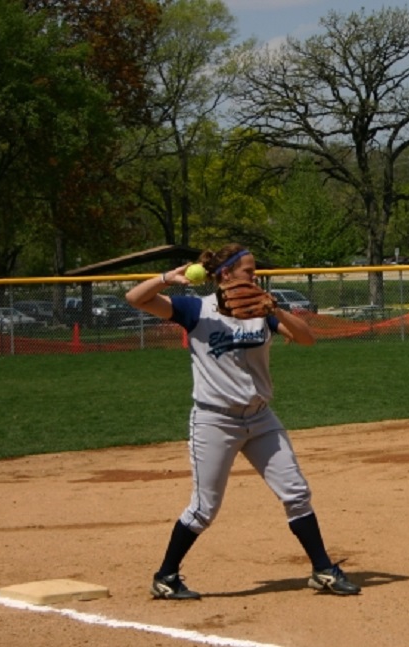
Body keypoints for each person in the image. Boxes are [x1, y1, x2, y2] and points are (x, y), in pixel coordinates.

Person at [124, 244, 361, 600]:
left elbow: (307, 339)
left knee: (296, 492)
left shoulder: (260, 309)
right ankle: (166, 577)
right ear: (225, 274)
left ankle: (323, 570)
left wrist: (275, 308)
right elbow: (135, 298)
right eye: (248, 271)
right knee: (204, 508)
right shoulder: (195, 310)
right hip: (214, 421)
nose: (255, 276)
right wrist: (166, 279)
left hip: (261, 418)